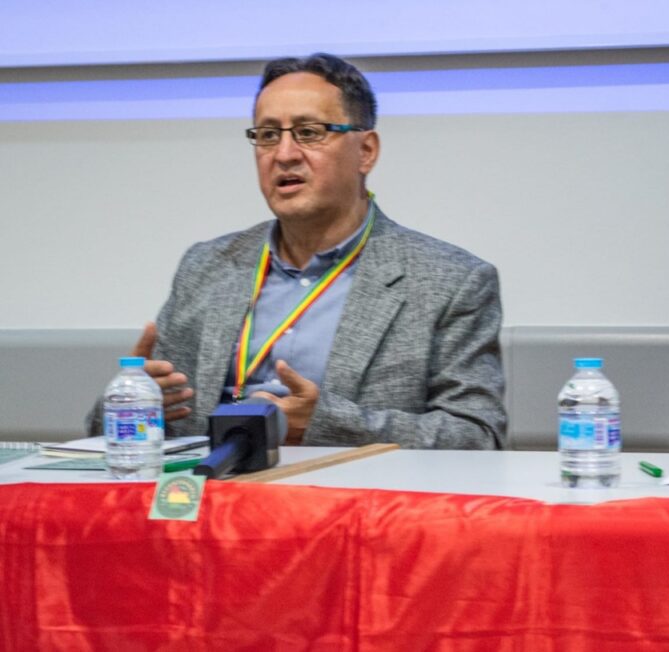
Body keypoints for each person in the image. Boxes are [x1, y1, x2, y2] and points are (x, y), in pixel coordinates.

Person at [88, 53, 506, 449]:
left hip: (356, 511)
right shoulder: (207, 267)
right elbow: (114, 431)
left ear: (366, 151)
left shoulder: (449, 281)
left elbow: (477, 435)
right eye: (268, 135)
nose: (284, 155)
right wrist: (134, 405)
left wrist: (323, 423)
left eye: (309, 133)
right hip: (214, 505)